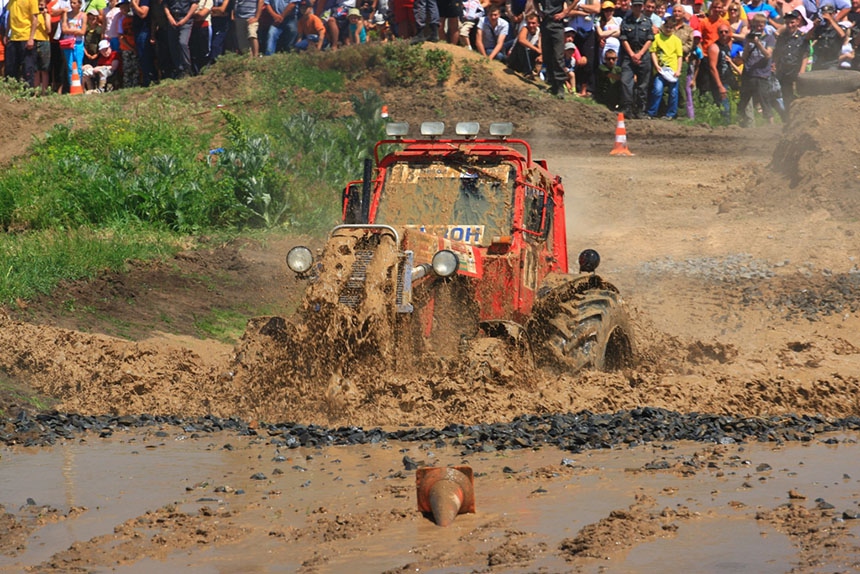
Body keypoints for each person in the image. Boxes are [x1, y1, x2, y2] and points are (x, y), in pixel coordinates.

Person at [737, 12, 775, 126]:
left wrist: (758, 43)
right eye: (756, 24)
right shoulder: (749, 38)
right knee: (744, 100)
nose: (759, 27)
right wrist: (748, 43)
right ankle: (743, 123)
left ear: (764, 25)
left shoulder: (769, 38)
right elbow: (744, 57)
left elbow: (768, 55)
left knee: (765, 101)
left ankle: (771, 125)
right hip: (748, 73)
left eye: (761, 24)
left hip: (762, 74)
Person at [618, 0, 653, 117]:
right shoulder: (626, 21)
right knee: (625, 81)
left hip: (643, 55)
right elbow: (623, 39)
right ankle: (627, 107)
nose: (637, 8)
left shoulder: (647, 22)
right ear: (631, 7)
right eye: (635, 6)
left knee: (643, 84)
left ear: (642, 7)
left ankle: (640, 110)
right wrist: (632, 54)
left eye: (639, 6)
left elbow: (650, 39)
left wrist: (640, 54)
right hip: (629, 54)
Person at [537, 0, 576, 98]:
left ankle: (560, 86)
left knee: (558, 56)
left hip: (557, 24)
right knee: (547, 55)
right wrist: (539, 11)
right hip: (545, 23)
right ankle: (553, 85)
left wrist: (565, 13)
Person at [773, 9, 808, 114]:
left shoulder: (803, 37)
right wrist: (775, 65)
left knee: (799, 96)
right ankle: (788, 118)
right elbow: (777, 53)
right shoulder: (782, 37)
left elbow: (805, 55)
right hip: (784, 71)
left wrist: (802, 71)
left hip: (796, 70)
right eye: (787, 23)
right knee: (787, 97)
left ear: (797, 22)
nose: (790, 25)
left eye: (792, 22)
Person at [646, 15, 682, 118]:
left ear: (674, 28)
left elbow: (679, 56)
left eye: (671, 27)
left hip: (673, 69)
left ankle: (671, 114)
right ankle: (652, 112)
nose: (668, 29)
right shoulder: (657, 38)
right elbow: (653, 52)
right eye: (667, 27)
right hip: (661, 69)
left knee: (673, 93)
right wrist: (656, 65)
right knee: (657, 90)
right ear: (663, 26)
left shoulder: (676, 41)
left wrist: (678, 70)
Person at [567, 0, 598, 96]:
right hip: (573, 33)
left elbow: (596, 9)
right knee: (573, 60)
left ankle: (585, 90)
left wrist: (579, 6)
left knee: (587, 62)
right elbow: (567, 11)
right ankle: (574, 87)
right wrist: (582, 12)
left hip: (588, 32)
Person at [708, 23, 738, 123]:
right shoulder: (714, 47)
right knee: (724, 107)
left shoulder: (727, 45)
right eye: (721, 32)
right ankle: (724, 126)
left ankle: (731, 124)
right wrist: (720, 85)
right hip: (721, 80)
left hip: (729, 79)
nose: (724, 34)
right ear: (718, 33)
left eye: (726, 32)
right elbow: (712, 67)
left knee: (732, 105)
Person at [6, 0, 40, 86]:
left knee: (28, 68)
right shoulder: (11, 1)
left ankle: (29, 92)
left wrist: (31, 38)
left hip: (26, 37)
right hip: (13, 38)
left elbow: (35, 19)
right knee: (11, 68)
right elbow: (9, 17)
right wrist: (7, 33)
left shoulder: (31, 1)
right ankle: (12, 89)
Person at [60, 0, 86, 89]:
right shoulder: (66, 14)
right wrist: (76, 31)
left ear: (80, 4)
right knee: (70, 66)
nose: (72, 5)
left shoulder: (83, 15)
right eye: (71, 2)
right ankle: (72, 86)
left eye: (74, 3)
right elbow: (64, 29)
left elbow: (83, 31)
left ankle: (79, 86)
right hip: (68, 43)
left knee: (79, 65)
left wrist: (70, 30)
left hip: (78, 43)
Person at [812, 4, 847, 69]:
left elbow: (842, 35)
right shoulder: (820, 28)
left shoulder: (839, 28)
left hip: (832, 61)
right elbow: (808, 38)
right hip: (819, 60)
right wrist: (814, 26)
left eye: (829, 14)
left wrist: (831, 19)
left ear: (833, 14)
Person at [507, 11, 541, 76]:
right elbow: (522, 40)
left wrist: (540, 55)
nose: (531, 25)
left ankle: (534, 71)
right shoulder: (525, 29)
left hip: (527, 57)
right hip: (515, 57)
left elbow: (540, 47)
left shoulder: (539, 32)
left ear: (537, 24)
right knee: (521, 45)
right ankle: (527, 72)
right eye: (529, 23)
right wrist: (536, 49)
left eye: (533, 23)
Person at [33, 0, 52, 93]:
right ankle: (36, 91)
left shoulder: (47, 16)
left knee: (44, 68)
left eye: (42, 5)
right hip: (35, 40)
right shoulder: (33, 15)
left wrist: (44, 16)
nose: (40, 7)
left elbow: (48, 30)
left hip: (44, 41)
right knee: (35, 69)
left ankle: (44, 91)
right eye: (38, 5)